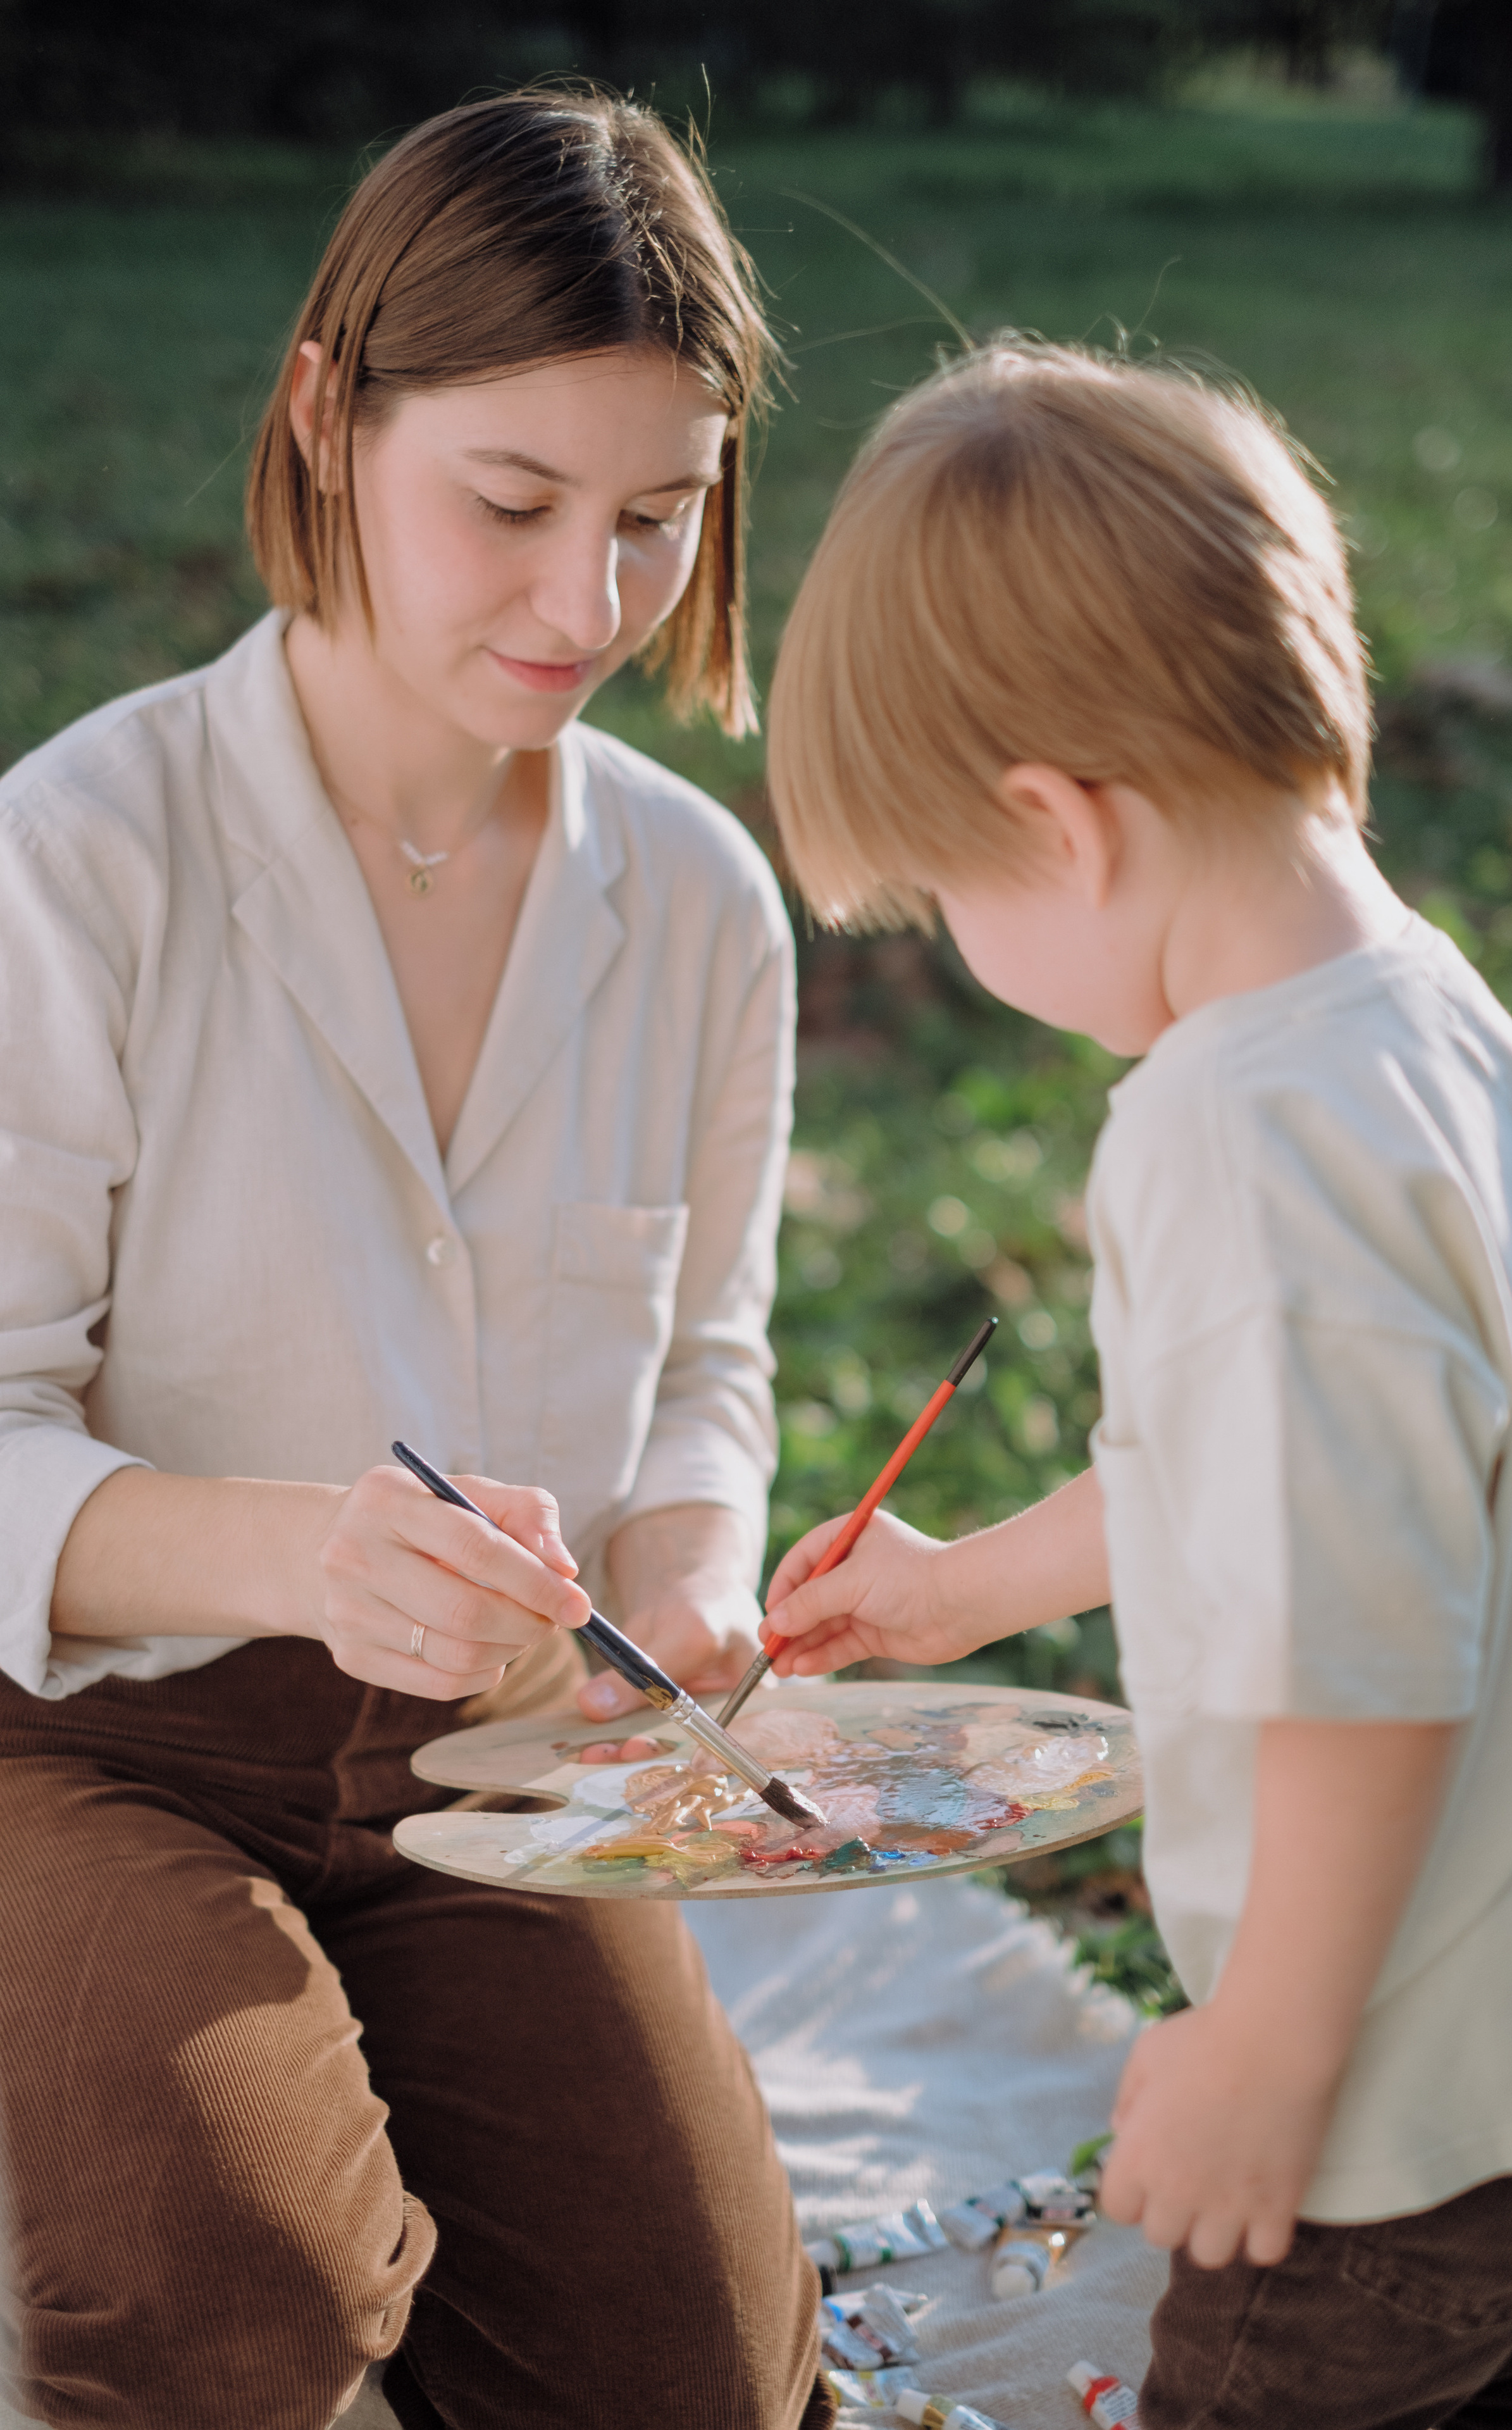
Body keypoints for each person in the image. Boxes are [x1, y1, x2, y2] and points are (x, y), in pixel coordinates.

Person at [0, 88, 829, 2430]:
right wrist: (308, 1558)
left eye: (661, 522)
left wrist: (694, 1573)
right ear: (323, 417)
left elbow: (712, 1367)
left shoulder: (697, 904)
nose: (592, 603)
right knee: (222, 2295)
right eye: (513, 506)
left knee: (709, 2396)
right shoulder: (79, 860)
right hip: (82, 1749)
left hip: (504, 1764)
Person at [761, 340, 1512, 2427]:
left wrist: (1264, 2058)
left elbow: (1366, 1662)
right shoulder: (1416, 1022)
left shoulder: (1231, 1134)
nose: (965, 939)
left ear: (1059, 828)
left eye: (949, 894)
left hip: (1402, 2102)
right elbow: (1311, 1479)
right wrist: (974, 1595)